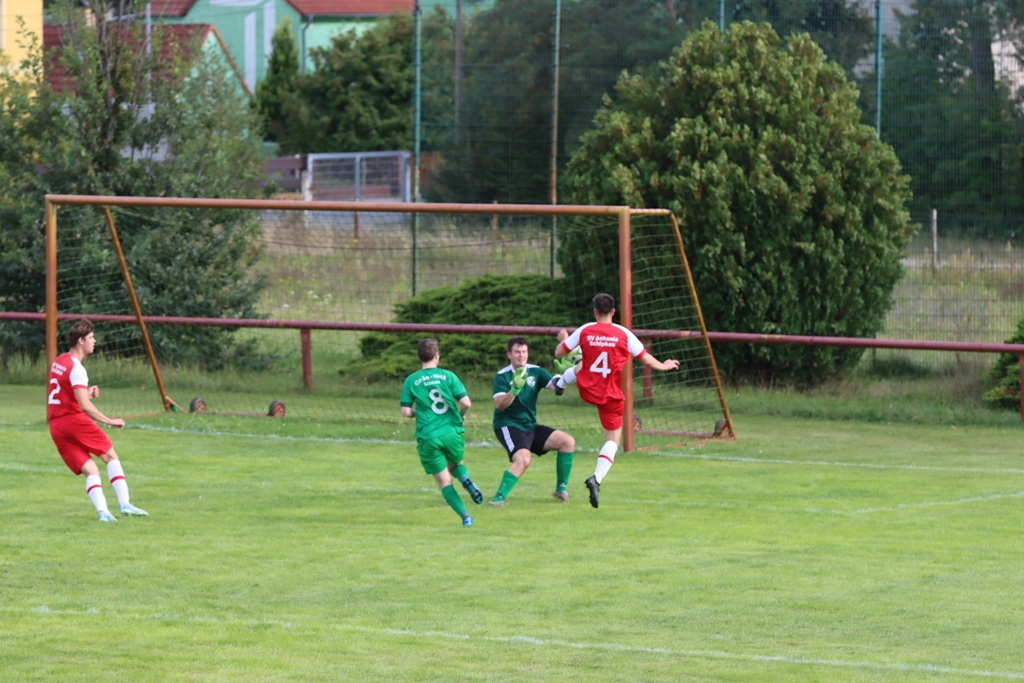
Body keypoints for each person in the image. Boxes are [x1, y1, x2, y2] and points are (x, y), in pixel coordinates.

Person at [553, 293, 679, 508]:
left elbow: (558, 353)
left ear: (595, 311)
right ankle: (596, 479)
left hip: (588, 388)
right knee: (612, 441)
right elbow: (646, 359)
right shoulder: (624, 334)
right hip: (610, 394)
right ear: (613, 312)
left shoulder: (585, 330)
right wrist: (665, 365)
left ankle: (561, 383)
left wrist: (564, 339)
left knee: (581, 365)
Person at [47, 319, 148, 522]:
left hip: (56, 426)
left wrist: (86, 393)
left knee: (91, 470)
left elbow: (64, 395)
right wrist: (109, 421)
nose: (95, 341)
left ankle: (103, 513)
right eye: (91, 338)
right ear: (81, 340)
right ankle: (125, 504)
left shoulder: (59, 361)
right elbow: (84, 406)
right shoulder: (77, 368)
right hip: (74, 421)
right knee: (110, 456)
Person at [400, 338, 483, 527]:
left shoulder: (411, 380)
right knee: (456, 464)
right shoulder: (448, 376)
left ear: (419, 357)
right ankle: (464, 478)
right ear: (437, 355)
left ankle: (465, 517)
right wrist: (461, 415)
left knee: (444, 481)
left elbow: (405, 412)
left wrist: (418, 413)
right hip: (451, 431)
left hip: (428, 436)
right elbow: (466, 403)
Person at [489, 336, 576, 506]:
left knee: (567, 442)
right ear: (509, 354)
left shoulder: (536, 372)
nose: (521, 355)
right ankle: (498, 499)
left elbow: (558, 390)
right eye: (517, 352)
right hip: (508, 425)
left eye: (524, 351)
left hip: (529, 426)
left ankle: (560, 489)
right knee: (524, 459)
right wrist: (515, 389)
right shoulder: (502, 376)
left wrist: (567, 376)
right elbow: (500, 405)